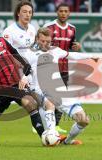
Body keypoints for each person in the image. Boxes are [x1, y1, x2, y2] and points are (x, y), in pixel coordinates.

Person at [24, 27, 98, 145]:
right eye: (42, 41)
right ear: (37, 39)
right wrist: (24, 79)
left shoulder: (55, 50)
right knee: (50, 103)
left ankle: (67, 141)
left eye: (48, 42)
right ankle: (52, 134)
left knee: (84, 120)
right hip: (40, 90)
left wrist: (90, 56)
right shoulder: (29, 54)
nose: (45, 44)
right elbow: (24, 71)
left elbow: (72, 55)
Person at [43, 3, 81, 134]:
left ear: (69, 13)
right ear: (57, 12)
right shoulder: (48, 27)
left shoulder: (72, 29)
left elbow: (70, 46)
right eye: (61, 11)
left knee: (60, 98)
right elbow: (41, 45)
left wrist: (76, 46)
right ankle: (43, 122)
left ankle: (56, 125)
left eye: (66, 11)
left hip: (64, 68)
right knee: (48, 97)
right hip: (50, 68)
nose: (63, 13)